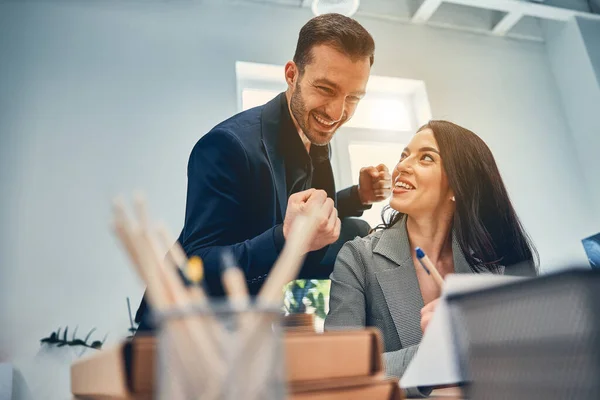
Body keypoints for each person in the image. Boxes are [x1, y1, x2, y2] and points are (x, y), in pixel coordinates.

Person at [135, 13, 392, 330]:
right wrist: (285, 238)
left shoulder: (314, 132)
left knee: (354, 227)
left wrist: (359, 195)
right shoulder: (227, 146)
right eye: (325, 88)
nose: (337, 113)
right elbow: (197, 263)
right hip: (183, 326)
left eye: (353, 97)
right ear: (291, 74)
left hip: (250, 323)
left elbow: (288, 212)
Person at [324, 120, 537, 395]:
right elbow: (336, 369)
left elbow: (530, 362)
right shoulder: (358, 259)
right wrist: (439, 355)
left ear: (457, 186)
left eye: (426, 158)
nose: (402, 166)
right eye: (404, 155)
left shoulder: (498, 261)